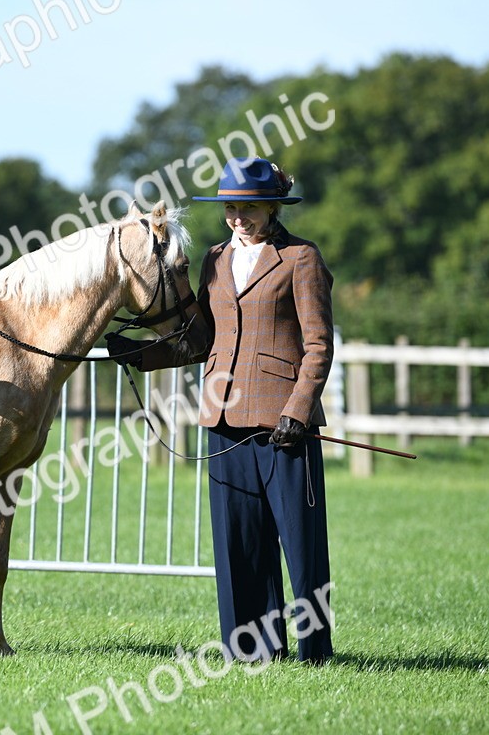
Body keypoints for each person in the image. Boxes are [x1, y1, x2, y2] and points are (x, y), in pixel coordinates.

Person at [110, 156, 335, 665]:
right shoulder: (214, 259)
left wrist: (298, 411)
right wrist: (141, 354)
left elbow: (319, 346)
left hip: (285, 427)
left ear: (273, 207)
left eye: (248, 208)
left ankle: (315, 653)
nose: (238, 217)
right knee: (237, 547)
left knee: (301, 548)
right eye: (230, 207)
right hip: (223, 420)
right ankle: (250, 650)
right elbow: (201, 341)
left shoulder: (301, 258)